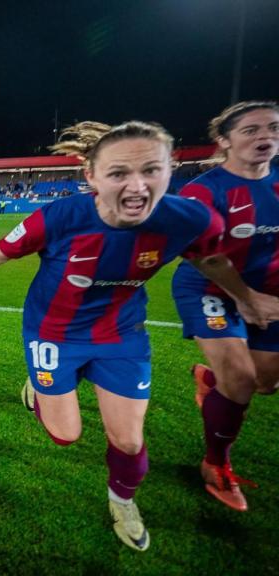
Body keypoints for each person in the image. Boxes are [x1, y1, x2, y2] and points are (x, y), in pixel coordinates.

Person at [0, 120, 279, 551]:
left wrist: (246, 298)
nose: (137, 186)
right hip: (53, 333)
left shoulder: (189, 218)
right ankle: (42, 390)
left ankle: (122, 501)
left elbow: (210, 260)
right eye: (119, 173)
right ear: (92, 177)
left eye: (152, 171)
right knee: (65, 434)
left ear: (170, 170)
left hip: (121, 334)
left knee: (129, 439)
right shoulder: (60, 216)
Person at [170, 101, 279, 511]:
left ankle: (209, 382)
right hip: (208, 289)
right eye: (250, 130)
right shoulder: (205, 191)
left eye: (272, 128)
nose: (264, 136)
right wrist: (248, 300)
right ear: (224, 140)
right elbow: (204, 256)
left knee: (266, 384)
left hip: (270, 294)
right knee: (240, 379)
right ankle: (215, 464)